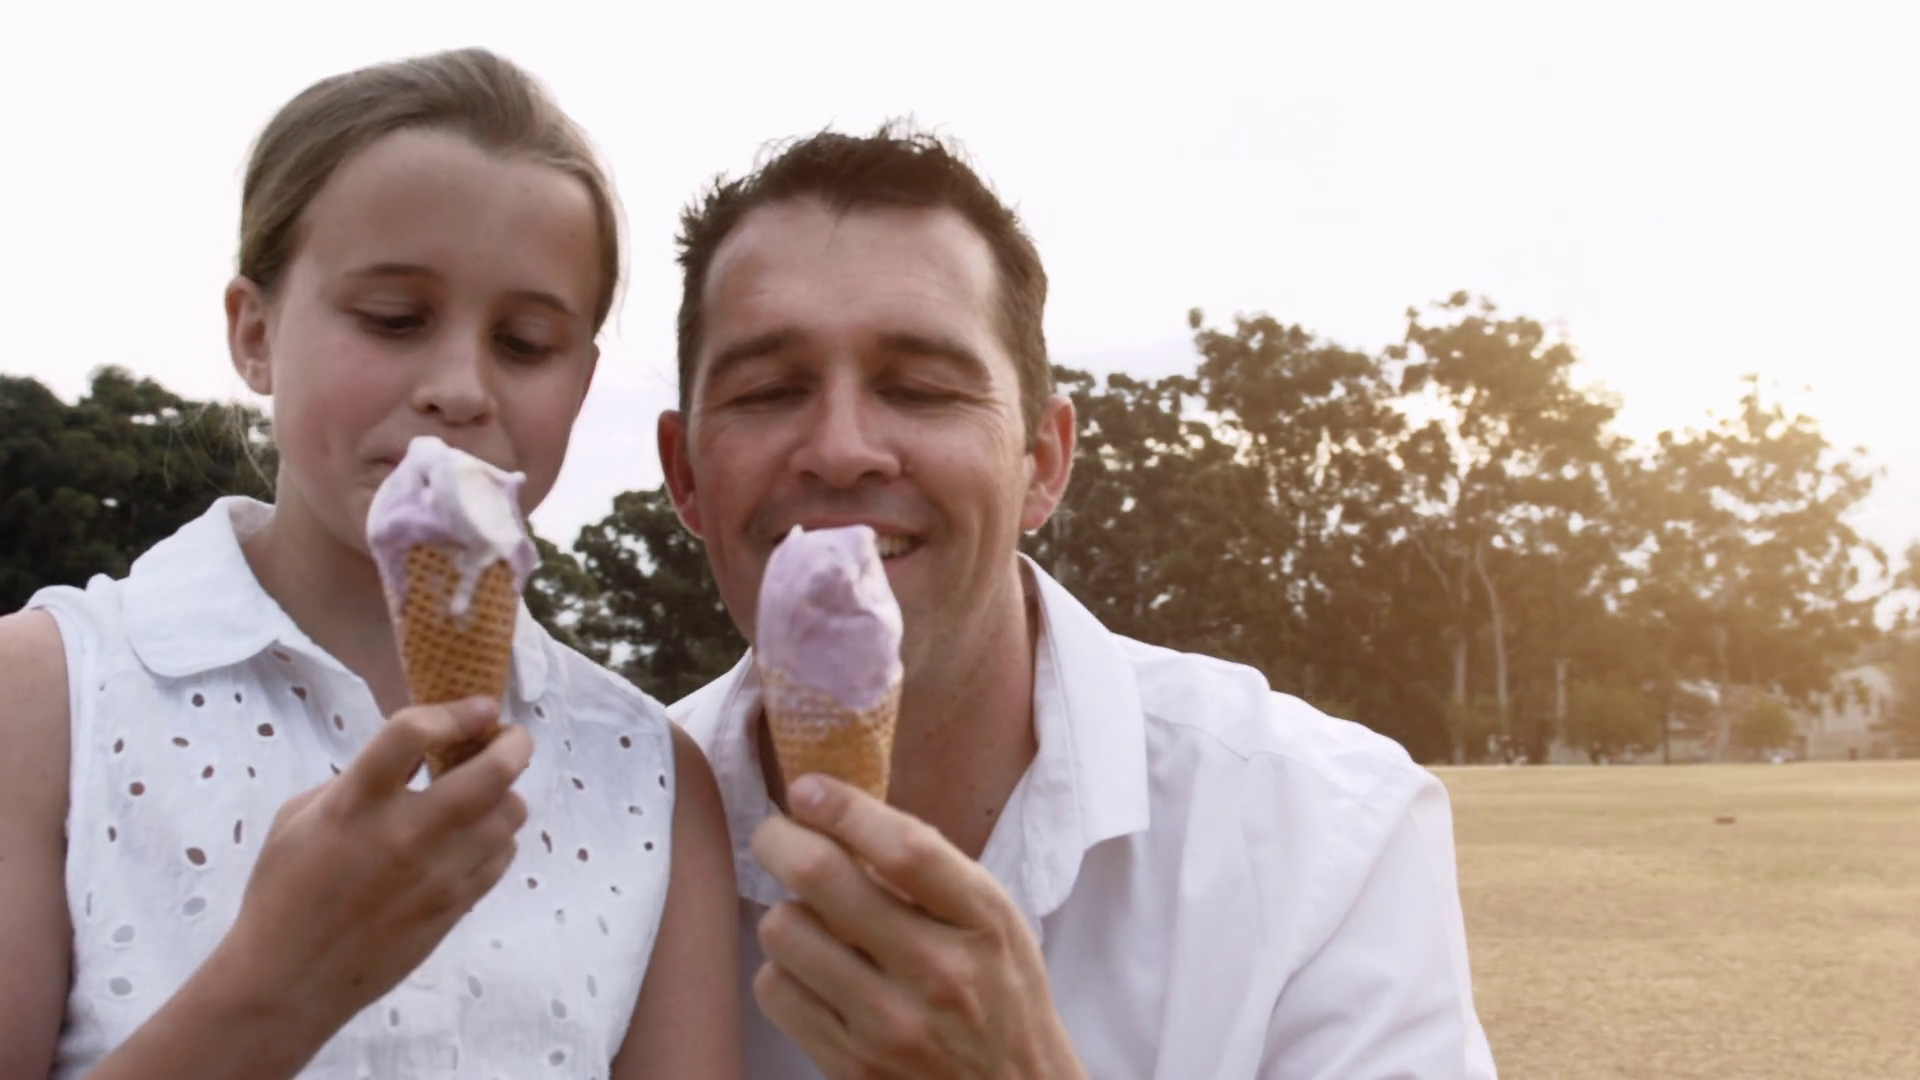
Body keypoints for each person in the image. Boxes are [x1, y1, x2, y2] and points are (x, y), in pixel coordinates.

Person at [662, 123, 1499, 1079]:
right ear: (686, 476)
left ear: (1044, 465)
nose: (843, 446)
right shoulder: (595, 835)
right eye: (770, 390)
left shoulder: (1322, 833)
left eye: (922, 388)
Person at [0, 48, 741, 1080]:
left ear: (582, 381)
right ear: (255, 333)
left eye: (526, 342)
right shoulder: (45, 699)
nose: (457, 386)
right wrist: (273, 990)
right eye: (394, 319)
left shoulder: (653, 778)